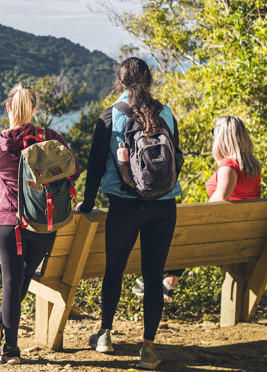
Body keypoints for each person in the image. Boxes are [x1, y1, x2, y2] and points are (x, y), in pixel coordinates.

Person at [76, 57, 184, 371]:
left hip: (123, 204)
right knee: (153, 276)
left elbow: (95, 167)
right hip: (164, 206)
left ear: (120, 81)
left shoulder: (110, 116)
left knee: (114, 270)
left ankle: (106, 335)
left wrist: (87, 202)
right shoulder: (166, 113)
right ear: (149, 80)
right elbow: (176, 158)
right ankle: (148, 348)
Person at [0, 83, 79, 364]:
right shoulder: (51, 138)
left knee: (12, 281)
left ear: (9, 108)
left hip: (8, 222)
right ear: (34, 109)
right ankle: (1, 328)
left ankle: (8, 344)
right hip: (42, 222)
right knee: (23, 278)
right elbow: (72, 172)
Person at [134, 115, 262, 300]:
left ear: (223, 137)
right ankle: (165, 282)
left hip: (222, 237)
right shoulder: (252, 167)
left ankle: (160, 278)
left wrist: (198, 220)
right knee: (190, 235)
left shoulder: (229, 166)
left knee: (187, 231)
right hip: (242, 236)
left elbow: (219, 201)